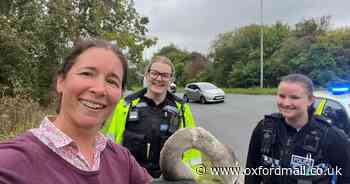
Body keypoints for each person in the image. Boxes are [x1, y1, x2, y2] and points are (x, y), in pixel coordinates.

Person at [0, 39, 152, 184]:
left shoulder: (123, 161)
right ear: (61, 81)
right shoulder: (10, 163)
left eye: (112, 81)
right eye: (87, 74)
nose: (99, 89)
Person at [103, 56, 201, 178]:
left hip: (168, 179)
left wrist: (191, 178)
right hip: (130, 177)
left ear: (171, 79)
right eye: (154, 73)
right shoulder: (126, 105)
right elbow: (112, 145)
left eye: (165, 75)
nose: (159, 78)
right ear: (146, 74)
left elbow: (191, 149)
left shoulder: (181, 109)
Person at [245, 74, 350, 184]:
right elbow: (252, 170)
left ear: (310, 100)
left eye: (294, 97)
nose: (286, 103)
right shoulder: (265, 128)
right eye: (281, 96)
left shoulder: (331, 136)